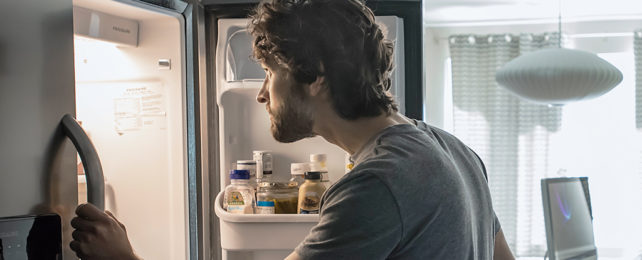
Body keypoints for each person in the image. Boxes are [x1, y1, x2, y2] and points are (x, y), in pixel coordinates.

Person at [70, 0, 514, 259]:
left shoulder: (376, 185)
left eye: (268, 71)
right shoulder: (454, 150)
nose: (263, 94)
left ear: (313, 74)